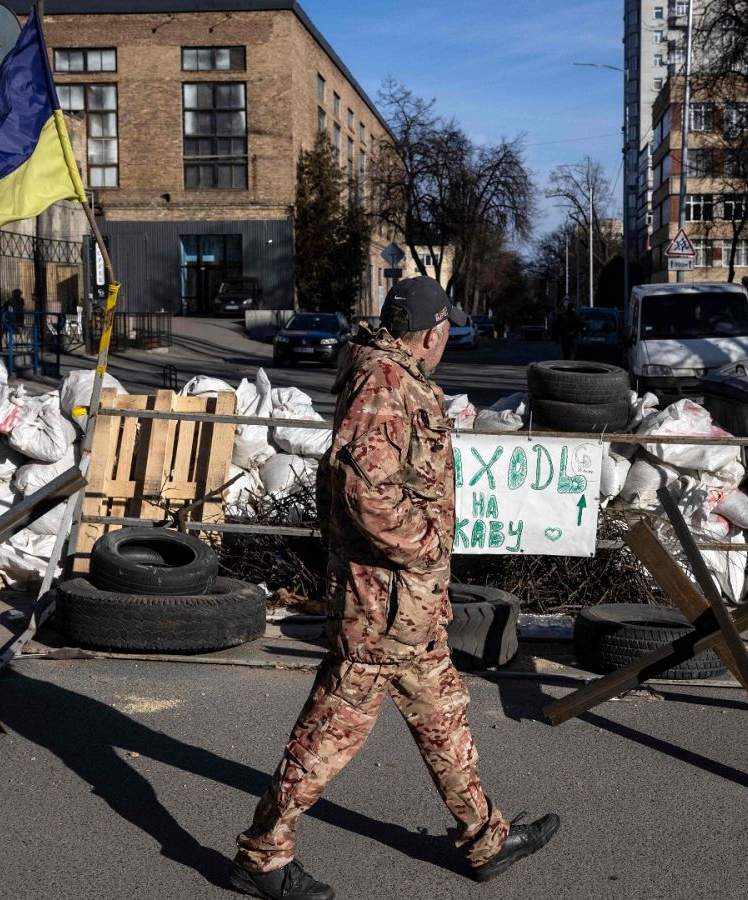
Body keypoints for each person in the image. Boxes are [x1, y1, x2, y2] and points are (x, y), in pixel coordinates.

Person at [231, 277, 560, 900]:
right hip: (381, 606)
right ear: (432, 333)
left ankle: (485, 839)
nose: (446, 340)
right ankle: (261, 855)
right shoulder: (384, 384)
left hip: (410, 605)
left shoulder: (399, 378)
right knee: (331, 731)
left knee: (443, 712)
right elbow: (367, 493)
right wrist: (426, 547)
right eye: (446, 331)